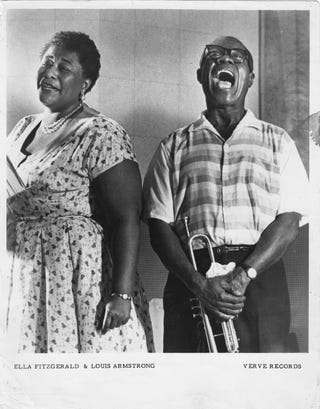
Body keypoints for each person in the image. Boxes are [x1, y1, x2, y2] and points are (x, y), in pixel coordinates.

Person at [142, 36, 309, 353]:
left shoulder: (279, 141)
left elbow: (289, 221)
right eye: (214, 55)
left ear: (251, 78)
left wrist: (243, 276)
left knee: (261, 391)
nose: (225, 60)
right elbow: (158, 226)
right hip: (191, 278)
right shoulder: (172, 146)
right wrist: (200, 285)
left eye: (238, 57)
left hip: (261, 278)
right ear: (200, 74)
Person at [6, 31, 154, 353]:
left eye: (64, 67)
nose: (50, 73)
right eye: (47, 62)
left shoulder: (101, 132)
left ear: (85, 83)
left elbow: (127, 218)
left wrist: (121, 294)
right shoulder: (21, 129)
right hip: (26, 277)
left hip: (79, 283)